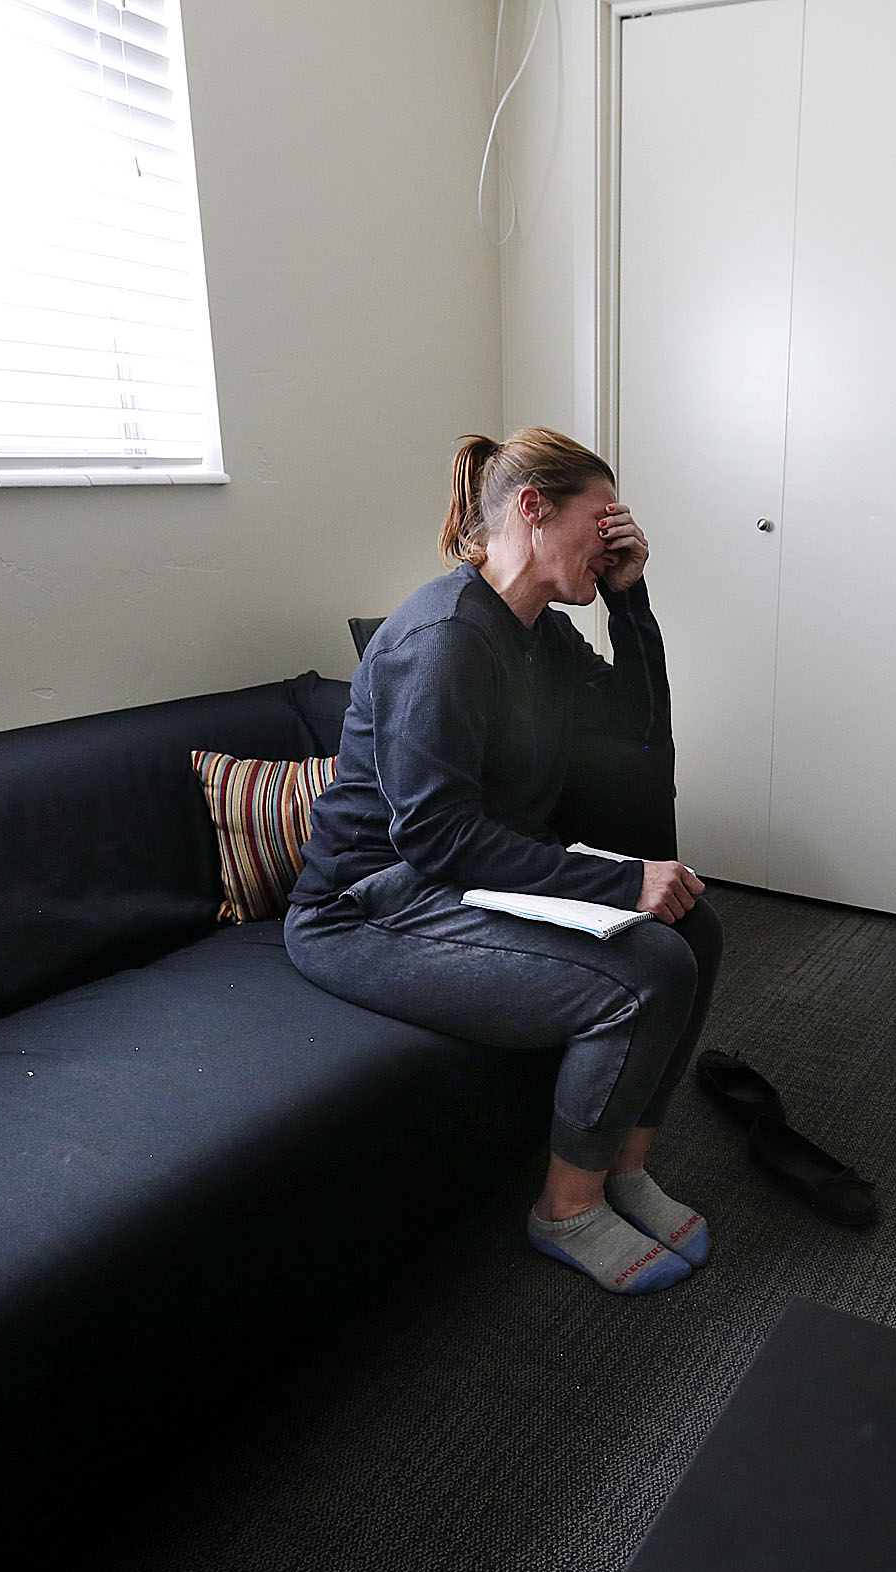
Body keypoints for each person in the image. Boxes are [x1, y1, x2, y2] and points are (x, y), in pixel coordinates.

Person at [286, 428, 720, 1297]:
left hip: (458, 881)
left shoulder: (539, 632)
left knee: (695, 930)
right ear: (533, 508)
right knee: (647, 971)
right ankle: (566, 1206)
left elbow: (637, 732)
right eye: (603, 519)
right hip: (369, 905)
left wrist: (630, 600)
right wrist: (620, 880)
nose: (616, 537)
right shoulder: (444, 637)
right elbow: (434, 837)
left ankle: (625, 1166)